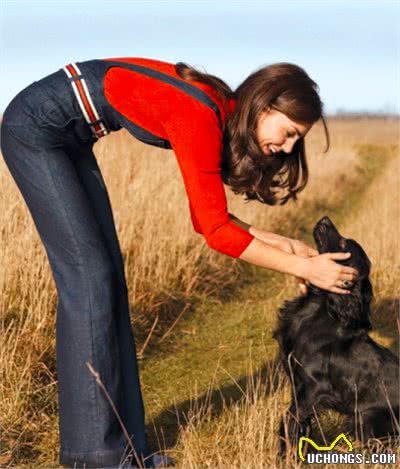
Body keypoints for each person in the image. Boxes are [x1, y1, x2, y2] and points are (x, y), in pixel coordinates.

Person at [0, 57, 358, 468]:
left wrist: (282, 244)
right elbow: (215, 232)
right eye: (290, 132)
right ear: (264, 108)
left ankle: (126, 448)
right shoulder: (200, 113)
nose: (290, 147)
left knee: (108, 281)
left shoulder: (219, 110)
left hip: (68, 138)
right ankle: (96, 457)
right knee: (89, 280)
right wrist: (304, 269)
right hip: (35, 128)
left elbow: (210, 217)